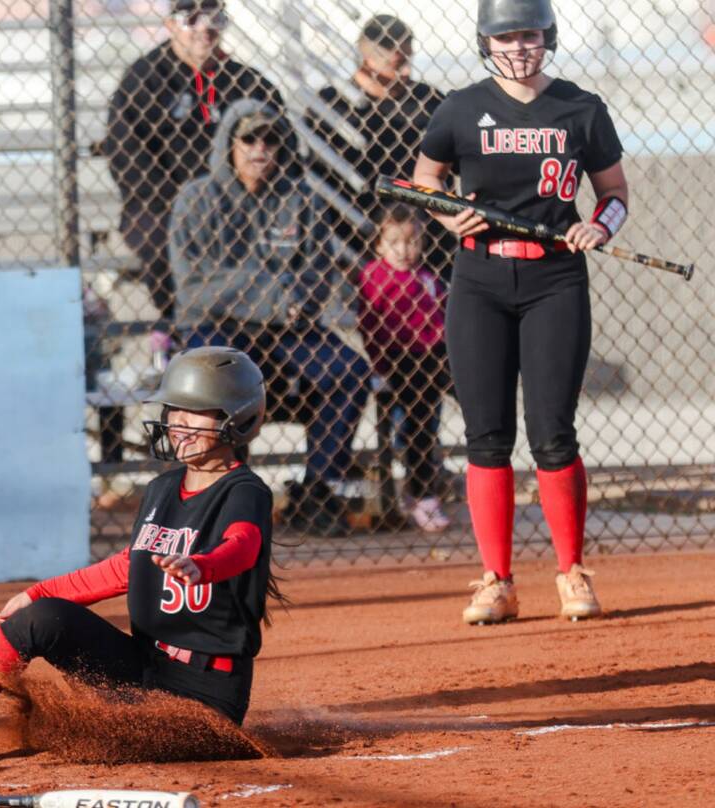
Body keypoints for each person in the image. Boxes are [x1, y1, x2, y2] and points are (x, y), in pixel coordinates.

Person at [0, 346, 279, 769]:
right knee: (42, 619)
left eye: (195, 411)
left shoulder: (244, 492)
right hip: (146, 670)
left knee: (99, 735)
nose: (178, 423)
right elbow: (127, 567)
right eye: (173, 410)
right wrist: (40, 593)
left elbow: (242, 546)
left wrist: (203, 566)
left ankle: (126, 727)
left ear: (236, 420)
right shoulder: (163, 490)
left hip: (205, 696)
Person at [412, 0, 628, 624]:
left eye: (529, 34)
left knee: (553, 432)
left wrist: (599, 228)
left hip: (555, 276)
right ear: (484, 41)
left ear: (548, 37)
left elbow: (613, 192)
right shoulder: (459, 107)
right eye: (504, 36)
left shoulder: (581, 108)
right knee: (486, 434)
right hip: (478, 277)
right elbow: (423, 182)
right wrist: (449, 215)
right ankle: (497, 580)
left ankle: (571, 572)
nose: (518, 46)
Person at [170, 99, 371, 537]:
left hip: (287, 329)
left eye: (270, 139)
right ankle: (222, 494)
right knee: (216, 378)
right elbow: (194, 285)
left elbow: (318, 272)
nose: (260, 148)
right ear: (229, 144)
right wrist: (274, 295)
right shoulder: (197, 199)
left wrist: (295, 300)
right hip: (218, 328)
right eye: (249, 138)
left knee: (350, 370)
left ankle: (317, 488)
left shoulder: (300, 199)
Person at [102, 0, 284, 375]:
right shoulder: (144, 78)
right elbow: (127, 154)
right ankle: (180, 332)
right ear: (170, 25)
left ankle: (256, 334)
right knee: (158, 238)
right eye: (192, 19)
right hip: (163, 203)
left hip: (238, 201)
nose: (206, 28)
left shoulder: (247, 81)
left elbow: (280, 142)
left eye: (215, 17)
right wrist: (185, 206)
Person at [305, 14, 451, 276]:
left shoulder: (427, 100)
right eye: (397, 64)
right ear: (367, 58)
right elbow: (314, 178)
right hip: (351, 238)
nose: (406, 71)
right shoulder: (331, 104)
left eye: (408, 60)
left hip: (424, 242)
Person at [357, 202, 452, 533]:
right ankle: (423, 494)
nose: (404, 250)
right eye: (395, 242)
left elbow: (441, 323)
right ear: (380, 244)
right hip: (397, 359)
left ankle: (427, 487)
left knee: (428, 419)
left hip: (431, 359)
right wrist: (380, 366)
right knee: (419, 423)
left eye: (412, 242)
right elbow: (369, 325)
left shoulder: (427, 279)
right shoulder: (374, 275)